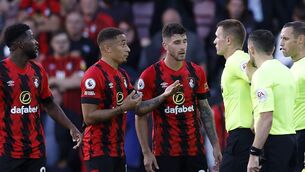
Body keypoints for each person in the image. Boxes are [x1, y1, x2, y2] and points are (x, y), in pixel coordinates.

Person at [80, 27, 180, 172]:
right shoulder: (93, 75)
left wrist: (163, 96)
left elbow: (138, 107)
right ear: (107, 48)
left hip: (119, 151)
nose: (128, 49)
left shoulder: (123, 75)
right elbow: (88, 117)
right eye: (122, 44)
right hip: (98, 151)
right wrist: (121, 108)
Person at [135, 23, 222, 172]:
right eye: (176, 42)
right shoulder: (150, 75)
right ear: (165, 45)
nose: (182, 47)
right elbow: (140, 114)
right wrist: (146, 152)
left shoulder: (197, 72)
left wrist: (215, 144)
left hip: (195, 150)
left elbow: (205, 110)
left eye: (184, 41)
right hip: (165, 152)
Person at [0, 23, 82, 172]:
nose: (36, 42)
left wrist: (71, 127)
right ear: (19, 43)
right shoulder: (2, 72)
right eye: (31, 38)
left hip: (36, 152)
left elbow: (49, 104)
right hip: (7, 153)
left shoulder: (38, 70)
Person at [247, 29, 297, 172]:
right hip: (291, 140)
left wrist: (254, 153)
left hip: (273, 143)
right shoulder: (287, 71)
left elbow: (266, 118)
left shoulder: (262, 74)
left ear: (251, 49)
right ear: (273, 48)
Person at [214, 19, 254, 172]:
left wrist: (257, 115)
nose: (214, 41)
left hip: (242, 134)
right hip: (241, 134)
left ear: (228, 40)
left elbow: (258, 77)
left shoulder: (237, 60)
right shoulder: (238, 60)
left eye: (217, 36)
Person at [279, 21, 305, 172]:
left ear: (301, 39)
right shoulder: (293, 67)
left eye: (286, 39)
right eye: (281, 38)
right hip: (292, 134)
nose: (281, 43)